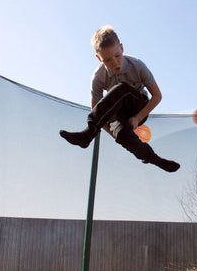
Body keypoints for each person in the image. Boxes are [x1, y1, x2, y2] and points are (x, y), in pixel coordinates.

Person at [60, 26, 180, 172]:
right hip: (117, 113)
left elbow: (157, 96)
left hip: (138, 105)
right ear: (99, 58)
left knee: (122, 89)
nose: (115, 63)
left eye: (117, 56)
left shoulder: (137, 65)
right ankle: (155, 159)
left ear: (122, 48)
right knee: (123, 135)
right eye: (108, 60)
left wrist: (137, 117)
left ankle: (88, 133)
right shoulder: (98, 77)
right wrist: (118, 135)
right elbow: (98, 112)